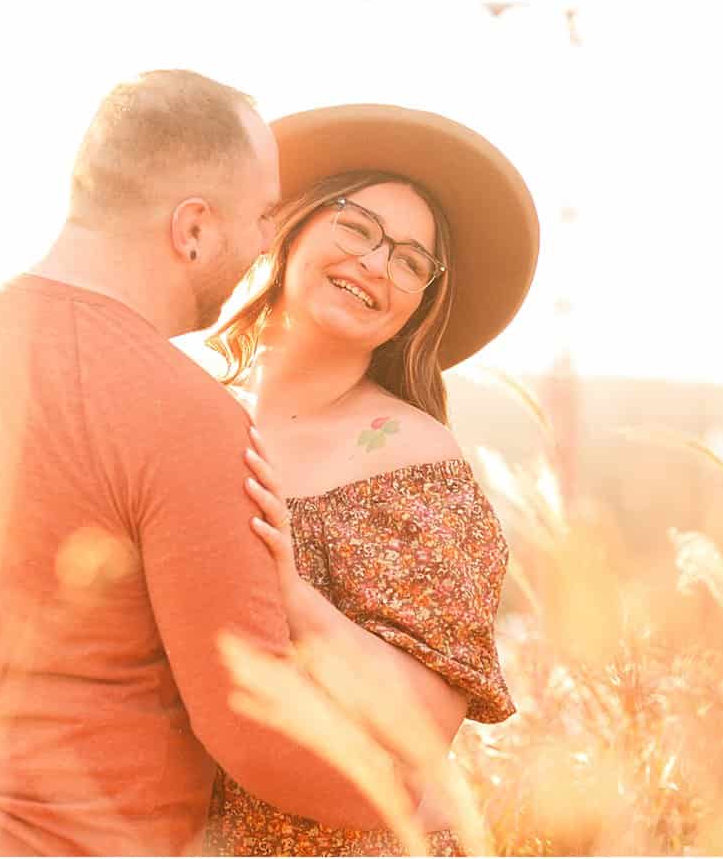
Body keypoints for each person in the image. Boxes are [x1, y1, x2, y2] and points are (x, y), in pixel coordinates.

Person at [0, 72, 398, 856]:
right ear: (191, 229)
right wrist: (416, 786)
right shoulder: (184, 415)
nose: (265, 244)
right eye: (258, 216)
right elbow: (258, 727)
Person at [200, 104, 541, 856]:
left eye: (412, 261)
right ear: (293, 227)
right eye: (357, 228)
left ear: (418, 304)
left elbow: (422, 731)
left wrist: (292, 596)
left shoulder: (415, 465)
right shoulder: (186, 409)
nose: (377, 265)